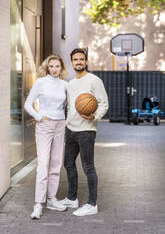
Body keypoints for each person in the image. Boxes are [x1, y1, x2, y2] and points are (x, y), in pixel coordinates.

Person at [59, 48, 109, 216]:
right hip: (71, 130)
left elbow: (104, 103)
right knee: (68, 163)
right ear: (72, 63)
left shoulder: (94, 80)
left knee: (88, 167)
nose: (78, 62)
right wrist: (66, 123)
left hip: (86, 130)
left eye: (81, 59)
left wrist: (94, 116)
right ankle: (72, 198)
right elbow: (70, 106)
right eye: (75, 59)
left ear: (86, 62)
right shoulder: (71, 84)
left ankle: (92, 204)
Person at [24, 54, 68, 219]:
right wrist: (38, 117)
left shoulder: (65, 85)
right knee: (43, 164)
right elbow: (27, 104)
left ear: (61, 68)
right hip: (44, 125)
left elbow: (68, 105)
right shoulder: (40, 82)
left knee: (56, 164)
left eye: (57, 66)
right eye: (51, 66)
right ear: (47, 68)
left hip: (60, 125)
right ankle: (38, 204)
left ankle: (51, 199)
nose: (54, 69)